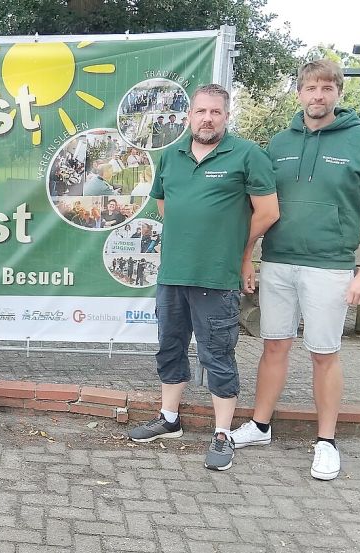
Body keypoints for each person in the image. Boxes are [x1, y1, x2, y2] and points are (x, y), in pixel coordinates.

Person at [230, 60, 360, 481]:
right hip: (279, 261)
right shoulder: (279, 142)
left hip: (331, 267)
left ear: (338, 93)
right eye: (310, 88)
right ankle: (260, 426)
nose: (317, 95)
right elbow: (258, 203)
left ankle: (326, 442)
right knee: (274, 346)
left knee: (324, 353)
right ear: (299, 92)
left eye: (326, 88)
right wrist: (248, 256)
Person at [126, 84, 279, 472]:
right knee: (170, 347)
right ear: (188, 116)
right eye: (200, 112)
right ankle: (169, 419)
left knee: (218, 356)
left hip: (217, 277)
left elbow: (268, 212)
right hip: (173, 274)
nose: (207, 118)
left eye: (215, 112)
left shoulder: (247, 155)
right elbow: (166, 206)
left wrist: (236, 250)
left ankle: (222, 434)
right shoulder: (171, 157)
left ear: (227, 117)